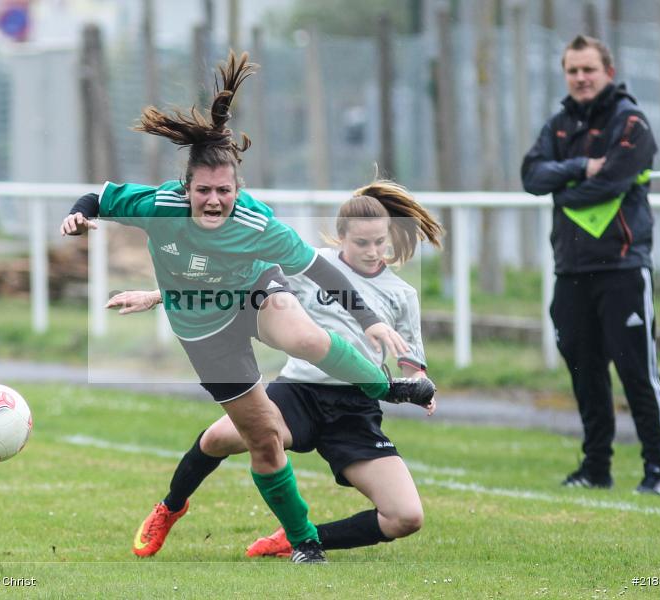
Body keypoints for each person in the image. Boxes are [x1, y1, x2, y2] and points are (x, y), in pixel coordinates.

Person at [61, 51, 433, 562]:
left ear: (239, 188)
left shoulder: (256, 223)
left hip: (253, 293)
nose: (214, 200)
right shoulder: (158, 206)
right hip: (202, 330)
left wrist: (369, 321)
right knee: (262, 444)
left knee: (305, 338)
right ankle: (281, 535)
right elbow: (96, 197)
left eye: (225, 191)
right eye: (204, 191)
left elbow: (318, 271)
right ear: (185, 188)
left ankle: (389, 389)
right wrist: (78, 217)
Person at [111, 180, 443, 559]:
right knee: (217, 439)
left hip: (355, 409)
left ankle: (300, 537)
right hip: (297, 393)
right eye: (361, 243)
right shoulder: (311, 266)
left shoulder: (402, 294)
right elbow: (229, 281)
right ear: (340, 237)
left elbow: (411, 361)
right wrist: (156, 295)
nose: (372, 252)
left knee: (406, 517)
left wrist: (419, 384)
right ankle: (169, 507)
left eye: (379, 242)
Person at [521, 35, 660, 495]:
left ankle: (657, 469)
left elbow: (611, 184)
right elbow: (531, 176)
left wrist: (565, 184)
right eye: (573, 70)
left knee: (636, 372)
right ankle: (596, 468)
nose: (581, 78)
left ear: (608, 70)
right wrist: (582, 165)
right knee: (585, 372)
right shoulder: (560, 123)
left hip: (623, 268)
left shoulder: (632, 122)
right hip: (570, 271)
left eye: (589, 69)